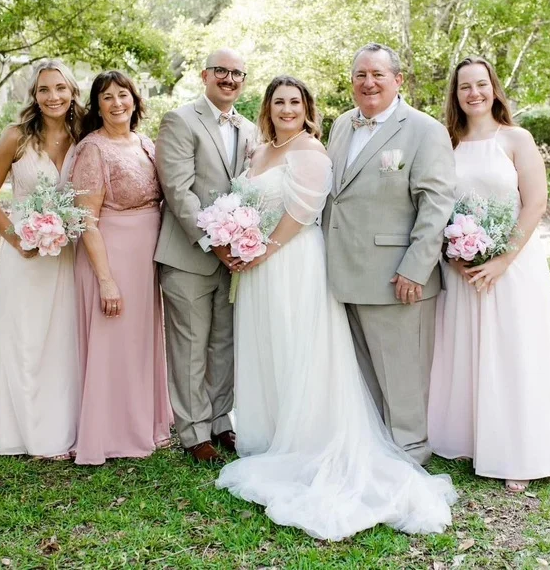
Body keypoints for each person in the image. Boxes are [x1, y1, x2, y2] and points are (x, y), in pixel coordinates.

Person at [216, 76, 458, 542]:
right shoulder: (277, 146)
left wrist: (260, 249)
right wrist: (238, 239)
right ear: (266, 108)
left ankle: (322, 440)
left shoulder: (312, 150)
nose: (287, 109)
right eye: (278, 102)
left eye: (295, 102)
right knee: (269, 348)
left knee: (300, 349)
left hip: (291, 264)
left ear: (307, 108)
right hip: (260, 268)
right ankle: (269, 434)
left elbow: (304, 211)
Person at [427, 56, 550, 493]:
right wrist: (454, 252)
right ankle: (468, 440)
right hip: (462, 268)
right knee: (465, 352)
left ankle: (518, 454)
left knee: (512, 355)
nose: (474, 93)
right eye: (465, 86)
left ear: (494, 88)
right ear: (456, 95)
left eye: (481, 84)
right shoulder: (445, 144)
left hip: (513, 268)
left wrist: (502, 260)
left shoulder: (516, 139)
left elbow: (536, 203)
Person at [321, 43, 457, 465]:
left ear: (398, 80)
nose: (369, 82)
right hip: (345, 273)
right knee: (364, 375)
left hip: (397, 278)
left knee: (402, 377)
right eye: (361, 75)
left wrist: (416, 268)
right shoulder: (342, 125)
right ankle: (378, 451)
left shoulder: (424, 129)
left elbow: (436, 205)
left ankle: (410, 454)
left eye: (378, 74)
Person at [0, 59, 84, 460]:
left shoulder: (85, 136)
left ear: (73, 92)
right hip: (26, 250)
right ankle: (33, 435)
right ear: (34, 96)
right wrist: (17, 238)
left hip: (70, 251)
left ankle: (67, 430)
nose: (52, 96)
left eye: (60, 88)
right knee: (28, 338)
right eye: (44, 90)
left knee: (65, 339)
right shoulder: (16, 137)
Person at [154, 49, 256, 464]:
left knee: (224, 344)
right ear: (205, 75)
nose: (229, 79)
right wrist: (214, 242)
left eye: (237, 73)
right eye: (221, 71)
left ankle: (220, 421)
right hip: (189, 255)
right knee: (190, 345)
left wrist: (245, 241)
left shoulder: (249, 128)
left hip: (235, 259)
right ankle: (194, 432)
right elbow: (178, 191)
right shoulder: (180, 120)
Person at [70, 70, 173, 465]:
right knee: (115, 341)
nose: (117, 103)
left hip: (145, 256)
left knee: (141, 341)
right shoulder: (93, 149)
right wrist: (106, 280)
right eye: (107, 97)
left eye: (123, 95)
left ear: (135, 99)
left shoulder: (146, 144)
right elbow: (87, 221)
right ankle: (111, 432)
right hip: (111, 255)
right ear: (97, 106)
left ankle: (145, 423)